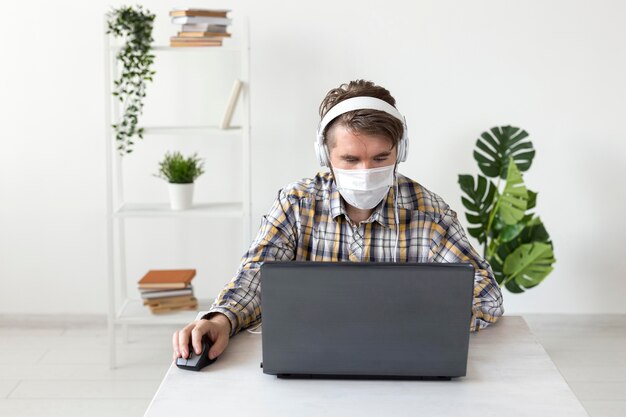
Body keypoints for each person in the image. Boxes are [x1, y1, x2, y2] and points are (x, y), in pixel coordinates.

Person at [172, 79, 504, 362]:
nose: (365, 171)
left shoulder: (429, 214)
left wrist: (413, 321)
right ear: (325, 155)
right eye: (350, 159)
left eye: (380, 158)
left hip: (400, 362)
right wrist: (221, 319)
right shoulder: (296, 204)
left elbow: (485, 295)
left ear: (399, 152)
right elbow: (255, 277)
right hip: (309, 361)